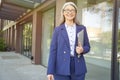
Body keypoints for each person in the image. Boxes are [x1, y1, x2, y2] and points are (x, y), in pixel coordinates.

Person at [47, 2, 90, 80]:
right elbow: (53, 51)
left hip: (78, 67)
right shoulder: (58, 30)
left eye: (72, 10)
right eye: (67, 10)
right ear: (63, 12)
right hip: (61, 67)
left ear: (75, 13)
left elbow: (87, 46)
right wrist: (50, 71)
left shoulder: (82, 28)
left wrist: (82, 49)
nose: (70, 12)